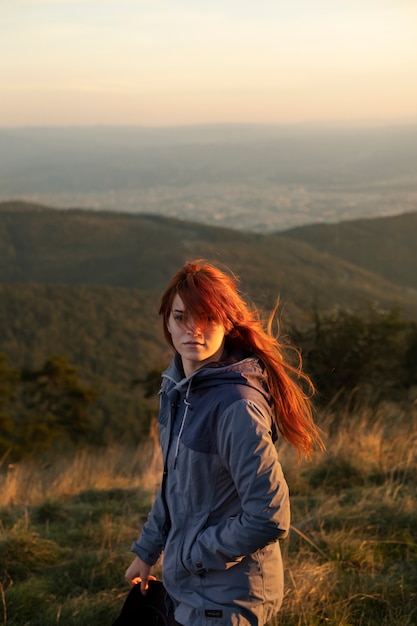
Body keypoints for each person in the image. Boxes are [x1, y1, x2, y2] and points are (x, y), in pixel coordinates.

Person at [124, 259, 324, 626]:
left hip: (228, 597)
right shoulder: (177, 390)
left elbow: (269, 517)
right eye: (181, 316)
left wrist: (190, 555)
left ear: (227, 323)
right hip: (191, 586)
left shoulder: (236, 405)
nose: (192, 329)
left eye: (207, 318)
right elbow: (174, 486)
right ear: (166, 320)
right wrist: (148, 551)